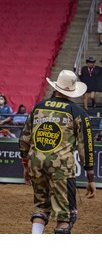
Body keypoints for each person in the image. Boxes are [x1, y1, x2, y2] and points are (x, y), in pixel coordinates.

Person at [19, 70, 96, 234]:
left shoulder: (38, 108)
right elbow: (86, 145)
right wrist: (90, 177)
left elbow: (24, 138)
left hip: (36, 163)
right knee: (65, 215)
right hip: (61, 167)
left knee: (41, 206)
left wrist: (26, 165)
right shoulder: (77, 112)